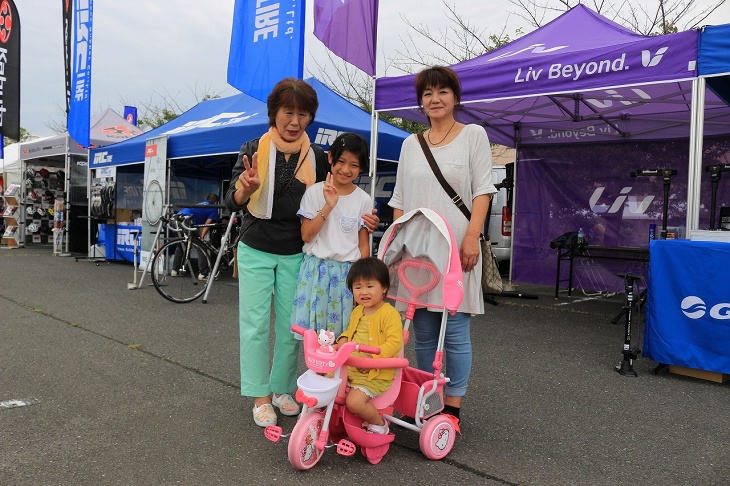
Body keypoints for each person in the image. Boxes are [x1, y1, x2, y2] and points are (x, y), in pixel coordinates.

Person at [223, 78, 379, 428]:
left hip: (298, 252)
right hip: (255, 247)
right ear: (274, 113)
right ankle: (260, 396)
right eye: (288, 112)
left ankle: (281, 389)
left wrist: (367, 217)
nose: (294, 121)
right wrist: (245, 189)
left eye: (303, 113)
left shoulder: (318, 160)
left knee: (296, 328)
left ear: (310, 118)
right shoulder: (253, 147)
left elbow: (340, 197)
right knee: (254, 326)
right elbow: (229, 201)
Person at [388, 66, 496, 422]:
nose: (435, 99)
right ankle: (428, 398)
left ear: (455, 97)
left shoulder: (473, 135)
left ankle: (453, 407)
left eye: (442, 92)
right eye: (427, 93)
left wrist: (471, 238)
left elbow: (483, 190)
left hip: (456, 248)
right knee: (420, 331)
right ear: (421, 102)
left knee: (456, 330)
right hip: (416, 248)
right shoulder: (410, 143)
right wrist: (395, 243)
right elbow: (400, 200)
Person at [291, 132, 373, 337]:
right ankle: (318, 371)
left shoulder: (363, 199)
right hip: (316, 273)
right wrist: (328, 206)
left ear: (361, 167)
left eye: (354, 165)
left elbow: (363, 245)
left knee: (345, 337)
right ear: (330, 158)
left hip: (348, 275)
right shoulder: (314, 192)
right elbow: (307, 236)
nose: (346, 170)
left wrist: (363, 282)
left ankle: (338, 371)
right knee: (316, 340)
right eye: (341, 162)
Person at [335, 257, 403, 435]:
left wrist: (373, 360)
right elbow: (350, 331)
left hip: (375, 373)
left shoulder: (390, 314)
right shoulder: (358, 310)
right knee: (324, 384)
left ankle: (379, 424)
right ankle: (329, 420)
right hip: (353, 367)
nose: (363, 292)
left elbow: (395, 342)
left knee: (354, 402)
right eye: (358, 287)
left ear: (384, 288)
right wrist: (342, 340)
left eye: (370, 286)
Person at [171, 193, 219, 281]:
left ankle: (175, 270)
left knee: (181, 244)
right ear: (216, 202)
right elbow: (207, 224)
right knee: (201, 246)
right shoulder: (213, 208)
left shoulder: (200, 204)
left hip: (176, 219)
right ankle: (203, 274)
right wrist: (201, 237)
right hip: (186, 220)